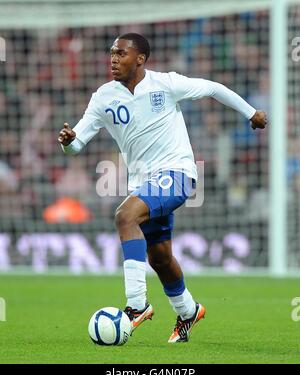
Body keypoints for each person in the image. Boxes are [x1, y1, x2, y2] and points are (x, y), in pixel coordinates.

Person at [58, 33, 267, 343]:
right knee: (159, 257)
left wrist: (251, 112)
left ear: (140, 59)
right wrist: (68, 142)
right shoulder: (103, 97)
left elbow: (213, 88)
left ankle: (136, 305)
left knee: (125, 216)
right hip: (144, 182)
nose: (113, 59)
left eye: (121, 53)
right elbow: (77, 144)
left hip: (178, 172)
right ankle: (188, 311)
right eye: (112, 53)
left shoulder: (165, 84)